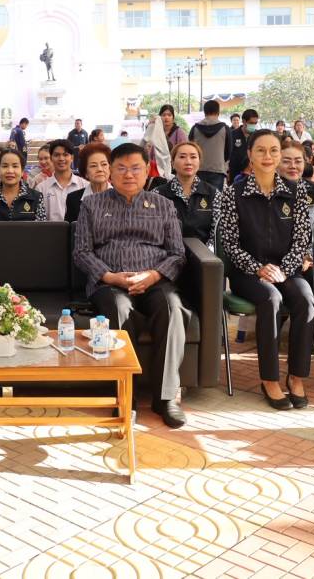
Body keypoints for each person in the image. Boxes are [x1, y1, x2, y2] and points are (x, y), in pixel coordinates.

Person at [74, 143, 187, 427]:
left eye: (136, 168)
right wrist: (110, 276)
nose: (128, 175)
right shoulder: (91, 205)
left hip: (154, 280)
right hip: (110, 283)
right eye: (121, 168)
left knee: (172, 308)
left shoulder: (164, 205)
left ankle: (166, 398)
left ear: (147, 171)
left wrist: (153, 276)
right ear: (110, 172)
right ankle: (126, 395)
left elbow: (177, 254)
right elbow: (82, 252)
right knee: (118, 308)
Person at [217, 129, 314, 411]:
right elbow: (230, 243)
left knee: (305, 299)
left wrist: (283, 270)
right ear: (250, 154)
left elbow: (301, 239)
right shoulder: (233, 193)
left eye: (274, 150)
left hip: (286, 270)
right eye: (260, 150)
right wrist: (258, 268)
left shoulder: (296, 192)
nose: (268, 156)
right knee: (271, 299)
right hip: (247, 273)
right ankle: (269, 379)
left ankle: (296, 377)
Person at [155, 141, 219, 244]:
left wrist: (206, 252)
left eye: (193, 157)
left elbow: (217, 233)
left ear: (199, 162)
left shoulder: (213, 194)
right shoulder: (157, 194)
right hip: (167, 251)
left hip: (204, 252)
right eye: (182, 157)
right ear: (172, 163)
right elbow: (153, 231)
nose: (188, 162)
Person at [40, 139, 89, 221]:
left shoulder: (85, 186)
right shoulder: (41, 188)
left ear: (72, 158)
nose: (61, 159)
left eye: (65, 155)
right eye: (57, 155)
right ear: (51, 158)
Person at [188, 100, 231, 191]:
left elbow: (190, 148)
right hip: (218, 169)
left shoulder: (195, 128)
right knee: (215, 197)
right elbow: (229, 151)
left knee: (197, 196)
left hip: (198, 169)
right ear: (218, 112)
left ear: (204, 112)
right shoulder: (225, 128)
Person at [65, 143, 111, 222]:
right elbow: (70, 228)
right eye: (93, 166)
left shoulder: (122, 197)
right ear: (85, 172)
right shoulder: (73, 199)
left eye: (104, 164)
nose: (100, 169)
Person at [278, 140, 314, 208]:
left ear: (304, 164)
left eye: (298, 161)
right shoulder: (268, 191)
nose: (293, 166)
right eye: (286, 161)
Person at [229, 109, 257, 180]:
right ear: (244, 121)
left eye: (255, 123)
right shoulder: (233, 134)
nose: (253, 125)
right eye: (251, 123)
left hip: (251, 173)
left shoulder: (257, 136)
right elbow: (227, 154)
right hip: (235, 172)